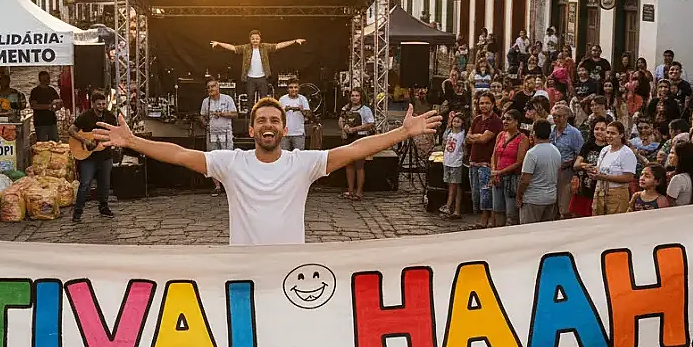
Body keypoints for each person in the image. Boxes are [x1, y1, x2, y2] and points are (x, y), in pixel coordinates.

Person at [93, 97, 440, 246]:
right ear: (252, 131)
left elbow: (353, 150)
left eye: (275, 120)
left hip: (291, 272)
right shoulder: (232, 163)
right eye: (262, 121)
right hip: (243, 273)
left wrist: (403, 132)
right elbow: (181, 154)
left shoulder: (302, 163)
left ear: (284, 130)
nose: (268, 125)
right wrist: (134, 141)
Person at [210, 30, 306, 107]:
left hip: (262, 77)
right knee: (250, 100)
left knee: (264, 100)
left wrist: (294, 41)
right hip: (250, 78)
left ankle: (263, 116)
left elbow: (278, 45)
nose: (255, 40)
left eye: (257, 38)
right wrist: (219, 43)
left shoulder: (265, 47)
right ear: (250, 39)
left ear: (260, 39)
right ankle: (251, 120)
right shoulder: (245, 48)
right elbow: (233, 48)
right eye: (253, 38)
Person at [70, 92, 117, 221]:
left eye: (104, 103)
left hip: (105, 155)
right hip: (88, 157)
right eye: (99, 104)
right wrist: (84, 140)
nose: (102, 106)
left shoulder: (110, 117)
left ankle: (104, 207)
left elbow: (114, 133)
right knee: (85, 183)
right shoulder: (86, 116)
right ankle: (78, 212)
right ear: (93, 104)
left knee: (105, 183)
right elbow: (71, 129)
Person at [517, 120, 561, 224]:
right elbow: (558, 174)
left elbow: (525, 179)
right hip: (550, 198)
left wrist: (519, 196)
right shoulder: (556, 151)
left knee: (529, 232)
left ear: (534, 133)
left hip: (533, 199)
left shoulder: (532, 153)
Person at [490, 109, 527, 227]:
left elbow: (519, 162)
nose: (505, 121)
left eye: (508, 119)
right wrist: (494, 171)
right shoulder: (501, 135)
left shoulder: (522, 139)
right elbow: (494, 154)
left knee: (511, 213)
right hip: (498, 178)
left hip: (512, 179)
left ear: (516, 122)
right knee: (498, 210)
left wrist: (500, 172)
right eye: (504, 118)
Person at [200, 80, 237, 197]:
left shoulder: (227, 99)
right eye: (208, 87)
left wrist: (221, 114)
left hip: (226, 133)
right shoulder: (206, 101)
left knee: (228, 159)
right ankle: (217, 186)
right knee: (213, 159)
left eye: (213, 86)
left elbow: (235, 114)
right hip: (212, 134)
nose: (211, 89)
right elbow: (202, 115)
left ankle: (229, 186)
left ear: (218, 87)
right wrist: (204, 123)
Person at [592, 121, 635, 215]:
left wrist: (604, 177)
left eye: (613, 133)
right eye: (607, 132)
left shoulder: (627, 153)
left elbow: (628, 178)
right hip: (601, 192)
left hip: (617, 194)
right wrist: (593, 171)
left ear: (621, 135)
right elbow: (599, 169)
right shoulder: (604, 150)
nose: (609, 136)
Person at [339, 88, 375, 200]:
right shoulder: (345, 108)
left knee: (359, 165)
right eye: (353, 95)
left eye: (357, 95)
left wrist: (356, 129)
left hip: (360, 137)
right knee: (349, 164)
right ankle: (350, 191)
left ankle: (359, 192)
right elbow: (340, 120)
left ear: (361, 97)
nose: (354, 97)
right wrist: (344, 127)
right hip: (348, 138)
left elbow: (370, 124)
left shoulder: (366, 109)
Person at [571, 116, 609, 218]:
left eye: (602, 129)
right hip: (585, 187)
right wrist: (585, 166)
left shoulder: (610, 147)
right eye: (596, 129)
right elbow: (576, 165)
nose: (599, 132)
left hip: (602, 188)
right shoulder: (588, 145)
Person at [550, 104, 583, 219]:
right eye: (554, 116)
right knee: (551, 206)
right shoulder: (551, 131)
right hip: (551, 172)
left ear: (566, 117)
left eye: (559, 116)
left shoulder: (574, 133)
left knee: (565, 207)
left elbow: (580, 154)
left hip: (567, 172)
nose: (556, 119)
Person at [440, 112, 466, 219]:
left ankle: (451, 205)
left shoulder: (462, 135)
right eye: (454, 121)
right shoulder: (449, 133)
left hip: (457, 163)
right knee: (450, 184)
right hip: (448, 161)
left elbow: (464, 149)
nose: (455, 123)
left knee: (455, 185)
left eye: (458, 121)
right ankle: (450, 206)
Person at [667, 142, 693, 206]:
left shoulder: (678, 179)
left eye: (673, 153)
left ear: (681, 157)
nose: (670, 156)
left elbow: (669, 204)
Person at [278, 82, 310, 151]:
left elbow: (308, 115)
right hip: (284, 134)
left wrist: (301, 110)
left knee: (299, 157)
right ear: (287, 89)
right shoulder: (282, 99)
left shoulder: (303, 99)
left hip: (299, 133)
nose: (293, 89)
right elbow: (277, 115)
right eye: (291, 87)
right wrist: (285, 110)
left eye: (295, 87)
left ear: (299, 89)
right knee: (284, 157)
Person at [30, 70, 61, 142]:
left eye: (48, 78)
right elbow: (34, 106)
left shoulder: (52, 90)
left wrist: (58, 106)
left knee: (55, 143)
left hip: (52, 122)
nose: (48, 80)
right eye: (46, 79)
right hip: (40, 123)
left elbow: (58, 102)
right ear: (41, 80)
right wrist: (49, 106)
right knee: (42, 144)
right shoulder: (35, 91)